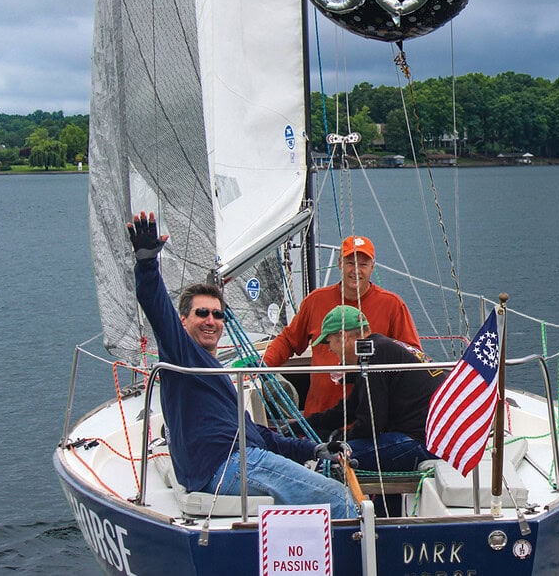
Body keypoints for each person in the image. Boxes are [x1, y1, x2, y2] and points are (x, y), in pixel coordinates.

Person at [127, 211, 357, 519]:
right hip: (225, 464)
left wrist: (312, 450)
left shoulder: (220, 373)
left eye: (218, 315)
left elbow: (259, 434)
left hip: (239, 459)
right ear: (183, 320)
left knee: (329, 486)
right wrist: (146, 265)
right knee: (339, 498)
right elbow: (157, 308)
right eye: (202, 314)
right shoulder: (181, 355)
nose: (211, 321)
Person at [263, 235, 421, 416]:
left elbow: (412, 355)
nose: (356, 270)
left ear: (372, 267)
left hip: (371, 419)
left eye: (363, 264)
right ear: (339, 264)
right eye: (350, 263)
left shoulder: (392, 305)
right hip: (320, 415)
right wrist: (261, 367)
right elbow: (289, 341)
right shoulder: (315, 300)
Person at [304, 305, 444, 473]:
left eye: (329, 342)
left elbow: (371, 423)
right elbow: (351, 408)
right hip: (436, 440)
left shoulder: (373, 355)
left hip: (420, 441)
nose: (329, 348)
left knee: (325, 461)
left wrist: (338, 440)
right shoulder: (380, 348)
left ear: (343, 337)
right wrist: (304, 424)